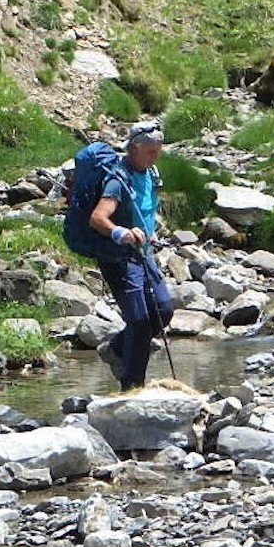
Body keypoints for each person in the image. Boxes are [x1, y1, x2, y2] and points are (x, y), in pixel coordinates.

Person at [89, 120, 174, 390]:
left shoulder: (149, 171)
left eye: (158, 150)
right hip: (119, 258)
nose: (155, 155)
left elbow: (146, 208)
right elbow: (97, 218)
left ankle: (116, 348)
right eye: (151, 151)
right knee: (139, 321)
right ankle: (132, 385)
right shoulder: (118, 179)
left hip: (143, 253)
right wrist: (120, 233)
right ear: (135, 148)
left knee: (163, 309)